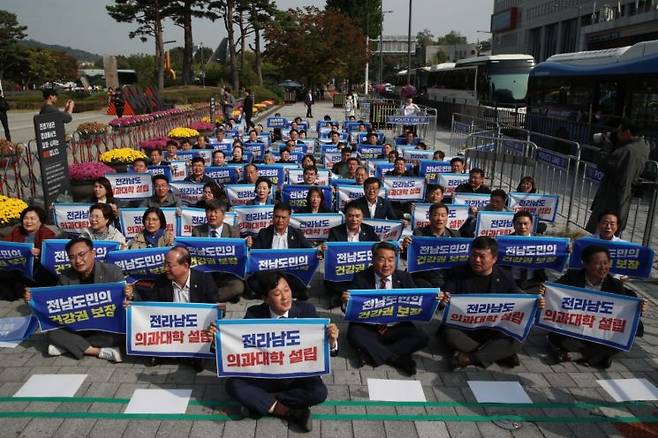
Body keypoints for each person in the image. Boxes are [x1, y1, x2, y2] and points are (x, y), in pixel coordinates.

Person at [215, 271, 338, 432]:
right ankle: (289, 411)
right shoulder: (254, 314)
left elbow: (325, 350)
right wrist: (217, 339)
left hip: (297, 374)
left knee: (319, 392)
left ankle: (263, 404)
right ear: (265, 299)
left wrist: (333, 340)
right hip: (266, 373)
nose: (285, 297)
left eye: (287, 290)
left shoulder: (307, 311)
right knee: (233, 385)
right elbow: (240, 348)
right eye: (277, 293)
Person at [23, 237, 131, 362]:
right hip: (77, 327)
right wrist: (32, 300)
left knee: (123, 333)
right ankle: (98, 351)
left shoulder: (112, 271)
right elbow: (53, 305)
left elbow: (129, 301)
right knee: (51, 331)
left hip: (106, 327)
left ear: (93, 253)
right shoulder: (65, 276)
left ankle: (68, 346)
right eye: (72, 257)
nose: (78, 261)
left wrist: (129, 295)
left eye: (81, 255)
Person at [547, 245, 647, 368]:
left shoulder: (614, 284)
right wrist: (544, 292)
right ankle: (597, 356)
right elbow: (553, 293)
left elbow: (626, 312)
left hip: (600, 329)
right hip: (574, 325)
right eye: (598, 264)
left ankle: (577, 355)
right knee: (554, 335)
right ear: (586, 264)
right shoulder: (572, 276)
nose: (603, 268)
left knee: (626, 336)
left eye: (606, 263)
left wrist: (639, 308)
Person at [440, 236, 531, 370]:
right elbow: (445, 295)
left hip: (493, 328)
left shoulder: (505, 275)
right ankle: (495, 354)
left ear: (494, 259)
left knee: (518, 338)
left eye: (482, 257)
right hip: (464, 327)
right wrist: (443, 300)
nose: (476, 260)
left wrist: (535, 302)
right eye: (473, 255)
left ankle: (470, 358)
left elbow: (519, 298)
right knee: (449, 333)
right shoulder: (457, 272)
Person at [343, 241, 429, 375]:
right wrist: (346, 302)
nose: (387, 265)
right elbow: (349, 309)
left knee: (422, 337)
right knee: (354, 334)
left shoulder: (404, 277)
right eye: (382, 259)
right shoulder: (360, 277)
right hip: (369, 327)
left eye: (391, 260)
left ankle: (371, 354)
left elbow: (417, 302)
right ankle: (396, 358)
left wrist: (436, 301)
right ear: (373, 259)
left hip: (396, 326)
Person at [585, 119, 650, 234]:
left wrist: (607, 145)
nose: (617, 134)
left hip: (611, 197)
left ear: (628, 132)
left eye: (619, 132)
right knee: (613, 230)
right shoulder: (644, 145)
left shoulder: (627, 150)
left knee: (599, 231)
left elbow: (603, 163)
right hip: (624, 195)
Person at [247, 203, 313, 300]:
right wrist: (249, 245)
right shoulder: (264, 233)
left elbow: (310, 251)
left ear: (289, 218)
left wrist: (319, 252)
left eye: (283, 217)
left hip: (289, 274)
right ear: (273, 216)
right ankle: (278, 293)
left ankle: (270, 293)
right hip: (269, 274)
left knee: (303, 290)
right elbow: (256, 256)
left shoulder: (297, 234)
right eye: (277, 217)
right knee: (253, 282)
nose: (280, 221)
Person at [324, 201, 379, 306]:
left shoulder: (369, 230)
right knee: (330, 281)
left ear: (362, 217)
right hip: (343, 271)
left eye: (357, 216)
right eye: (350, 216)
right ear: (345, 216)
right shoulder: (335, 231)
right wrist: (325, 249)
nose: (354, 219)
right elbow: (331, 255)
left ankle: (344, 297)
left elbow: (378, 248)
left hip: (363, 271)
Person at [191, 200, 245, 303]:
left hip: (225, 275)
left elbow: (237, 256)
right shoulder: (197, 231)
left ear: (223, 215)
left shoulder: (233, 231)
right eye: (209, 211)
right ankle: (213, 297)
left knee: (238, 287)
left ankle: (207, 298)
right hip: (204, 274)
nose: (212, 215)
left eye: (216, 212)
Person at [0, 206, 57, 300]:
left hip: (38, 271)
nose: (28, 221)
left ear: (40, 222)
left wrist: (40, 252)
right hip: (19, 269)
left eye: (32, 219)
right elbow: (5, 244)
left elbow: (51, 255)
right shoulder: (17, 231)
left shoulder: (47, 233)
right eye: (25, 218)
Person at [402, 203, 460, 289]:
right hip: (424, 277)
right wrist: (406, 246)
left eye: (443, 215)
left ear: (447, 217)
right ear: (429, 217)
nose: (440, 218)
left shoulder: (455, 234)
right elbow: (410, 256)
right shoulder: (419, 233)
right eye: (436, 215)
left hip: (447, 276)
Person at [504, 211, 547, 292]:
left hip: (534, 283)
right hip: (509, 283)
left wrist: (565, 250)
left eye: (525, 223)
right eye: (519, 223)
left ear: (531, 225)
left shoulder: (540, 242)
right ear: (514, 225)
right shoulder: (504, 242)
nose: (522, 227)